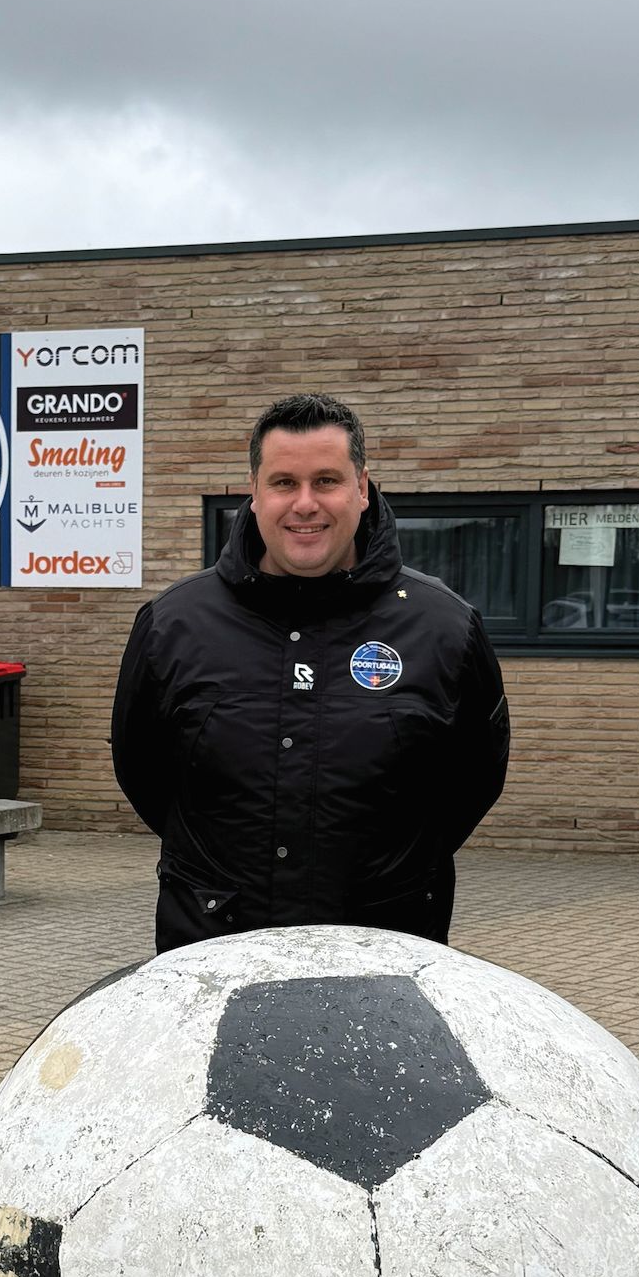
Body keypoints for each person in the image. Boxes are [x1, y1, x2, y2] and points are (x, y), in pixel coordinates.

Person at [110, 391, 510, 952]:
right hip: (214, 945)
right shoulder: (173, 623)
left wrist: (393, 872)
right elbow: (143, 772)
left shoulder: (445, 626)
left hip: (386, 949)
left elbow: (473, 781)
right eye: (283, 483)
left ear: (361, 489)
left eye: (326, 481)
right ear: (254, 492)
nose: (305, 504)